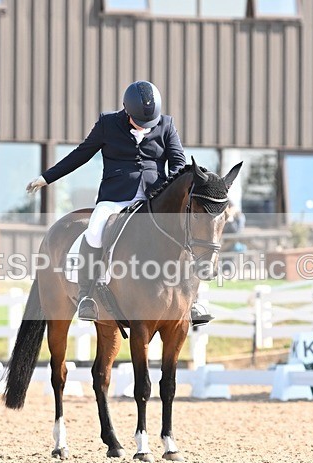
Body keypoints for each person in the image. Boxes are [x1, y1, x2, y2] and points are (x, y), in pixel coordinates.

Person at [25, 80, 213, 325]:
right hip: (115, 197)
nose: (145, 127)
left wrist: (170, 190)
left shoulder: (166, 124)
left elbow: (178, 161)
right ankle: (86, 296)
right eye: (140, 122)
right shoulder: (108, 124)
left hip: (154, 198)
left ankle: (193, 300)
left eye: (150, 123)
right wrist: (47, 177)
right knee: (95, 231)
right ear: (126, 110)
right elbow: (81, 154)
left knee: (184, 233)